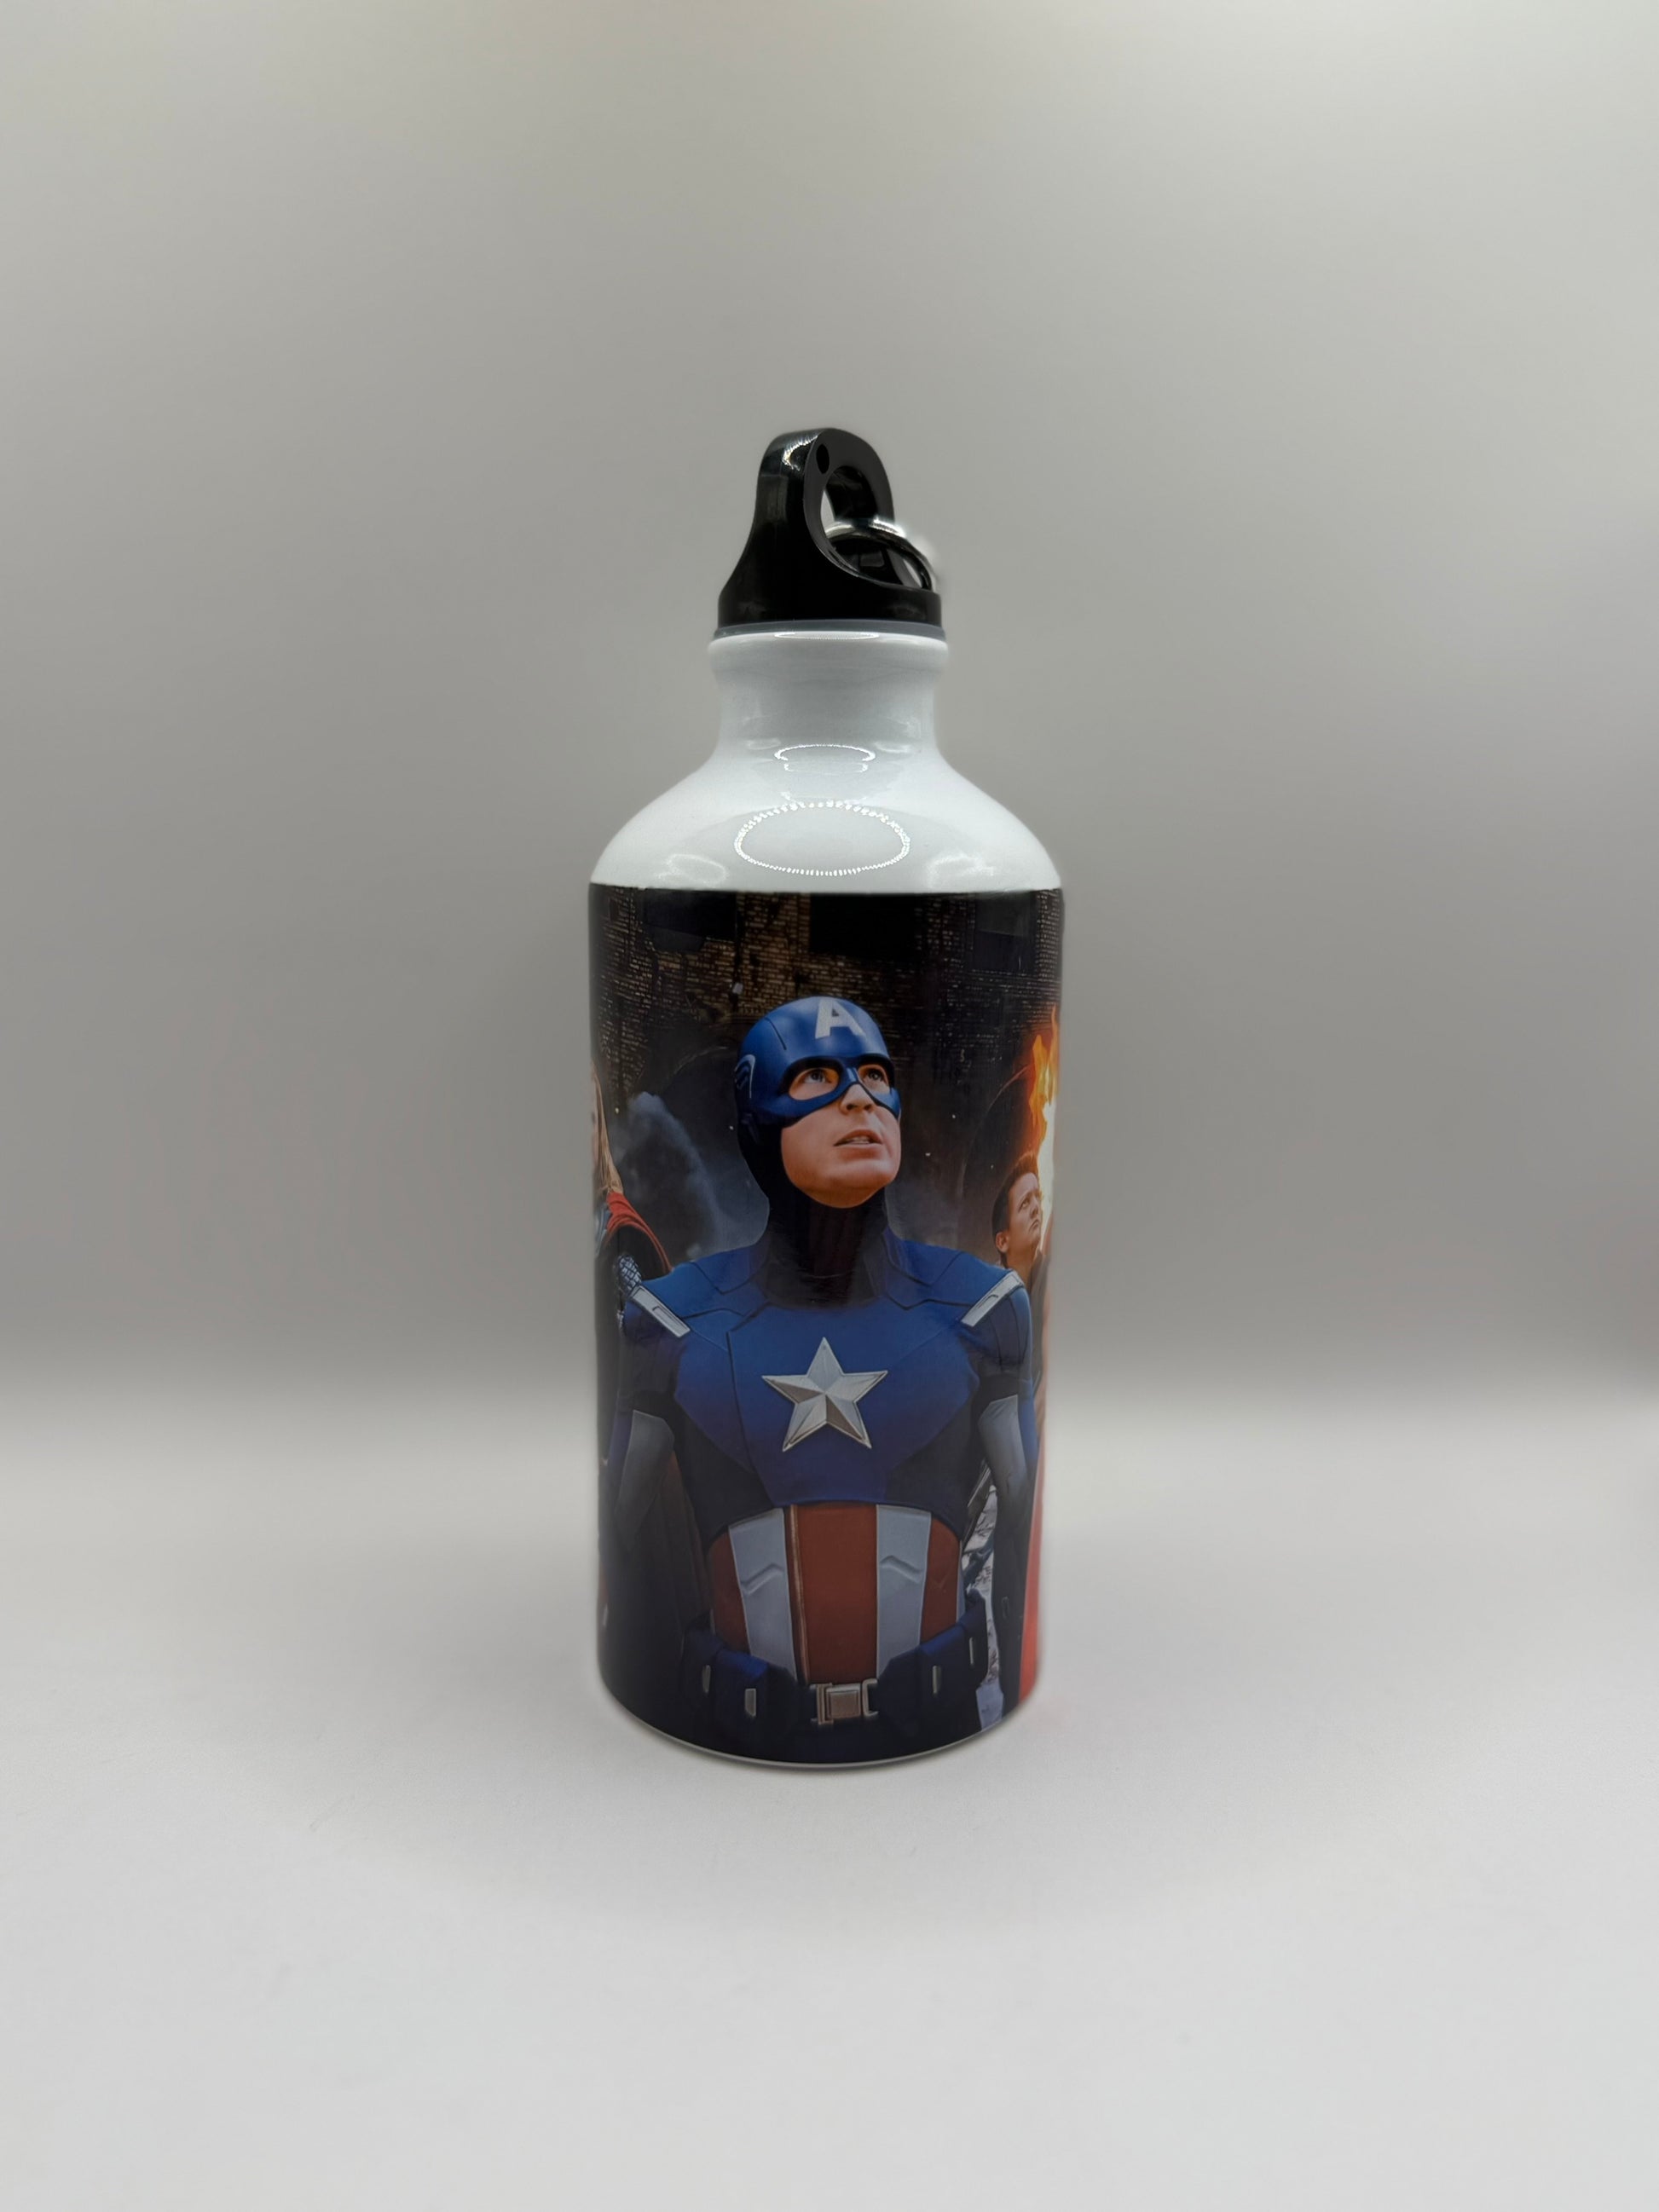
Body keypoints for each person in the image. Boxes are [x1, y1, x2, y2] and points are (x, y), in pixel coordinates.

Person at [600, 996, 1039, 1760]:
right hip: (724, 1752)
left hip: (942, 1748)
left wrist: (1017, 1735)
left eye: (874, 1075)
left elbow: (1023, 1545)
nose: (859, 1097)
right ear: (756, 1120)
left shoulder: (986, 1310)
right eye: (816, 1078)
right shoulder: (668, 1322)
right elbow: (623, 1553)